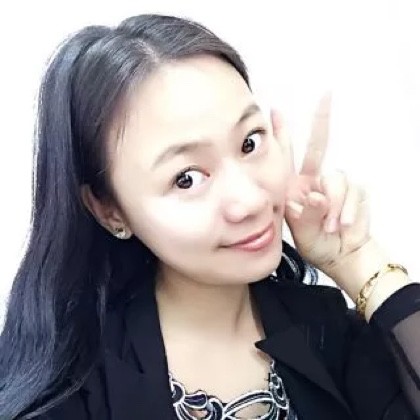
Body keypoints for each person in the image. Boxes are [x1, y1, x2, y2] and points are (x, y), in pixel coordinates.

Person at [0, 13, 419, 420]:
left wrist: (358, 261)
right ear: (110, 210)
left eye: (250, 143)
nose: (250, 200)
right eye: (186, 178)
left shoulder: (327, 331)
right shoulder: (75, 391)